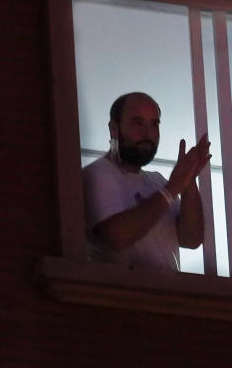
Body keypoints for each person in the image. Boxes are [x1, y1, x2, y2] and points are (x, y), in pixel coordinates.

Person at [82, 92, 211, 271]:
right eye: (137, 123)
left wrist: (188, 183)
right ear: (114, 128)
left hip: (166, 296)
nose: (147, 133)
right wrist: (172, 189)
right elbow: (116, 237)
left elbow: (191, 239)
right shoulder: (96, 174)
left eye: (154, 124)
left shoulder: (157, 181)